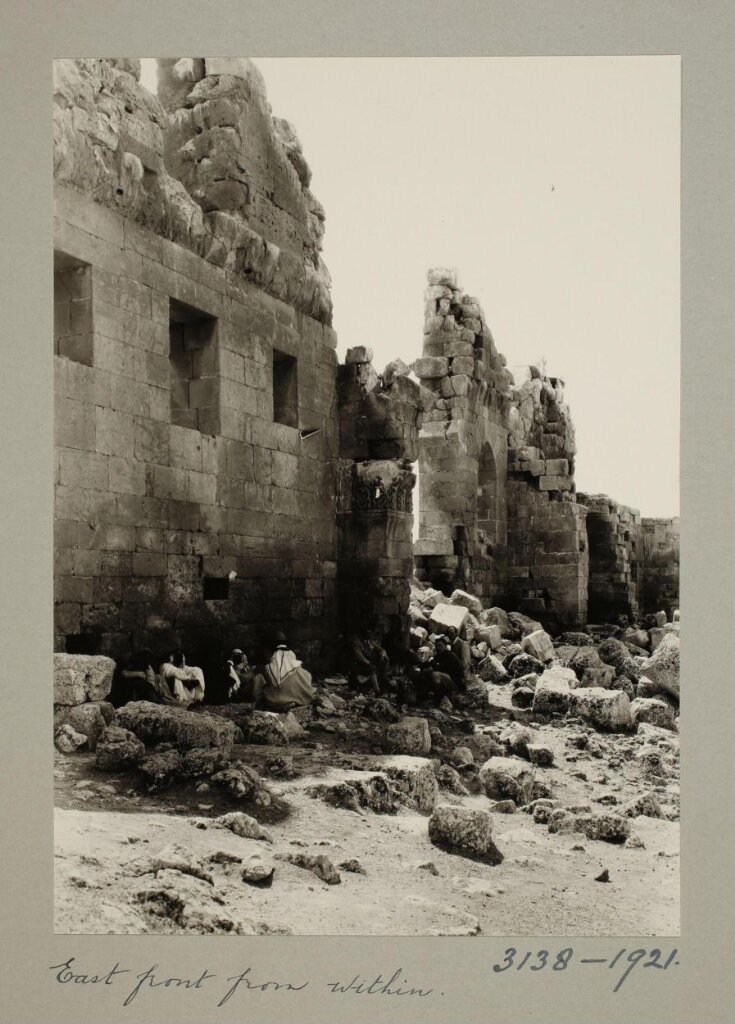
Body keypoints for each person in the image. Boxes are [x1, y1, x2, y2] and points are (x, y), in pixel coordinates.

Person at [253, 631, 315, 710]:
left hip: (277, 706)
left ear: (269, 651)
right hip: (303, 703)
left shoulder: (266, 669)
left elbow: (256, 693)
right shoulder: (302, 670)